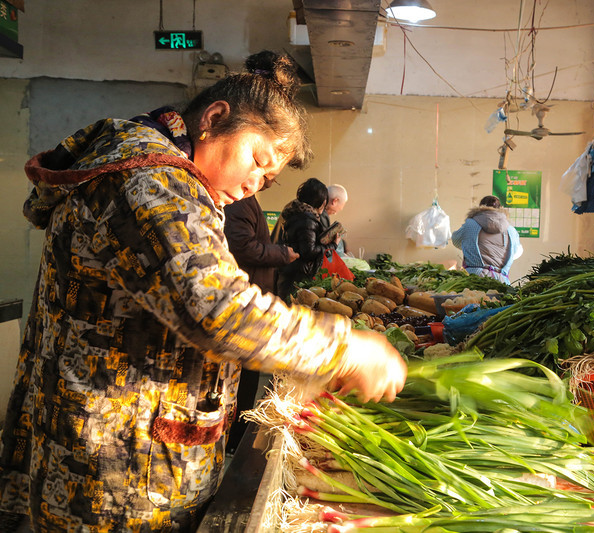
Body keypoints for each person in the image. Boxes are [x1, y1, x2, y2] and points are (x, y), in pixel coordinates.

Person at [0, 50, 406, 531]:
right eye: (256, 161)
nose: (253, 185)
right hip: (115, 480)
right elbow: (217, 307)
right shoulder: (148, 182)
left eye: (268, 179)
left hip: (127, 460)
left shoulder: (163, 178)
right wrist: (345, 350)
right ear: (213, 119)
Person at [223, 194, 299, 455]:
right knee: (243, 378)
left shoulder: (244, 199)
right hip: (246, 302)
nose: (267, 179)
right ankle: (235, 437)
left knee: (246, 377)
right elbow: (243, 247)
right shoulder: (239, 201)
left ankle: (236, 434)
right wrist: (281, 253)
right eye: (261, 164)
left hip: (252, 300)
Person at [272, 178, 333, 301]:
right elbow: (308, 251)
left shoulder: (295, 212)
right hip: (297, 275)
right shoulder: (307, 220)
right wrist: (333, 245)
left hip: (288, 271)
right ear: (322, 201)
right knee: (292, 308)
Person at [451, 195, 522, 284]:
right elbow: (516, 252)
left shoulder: (470, 225)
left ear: (480, 207)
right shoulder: (511, 230)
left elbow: (456, 240)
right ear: (500, 208)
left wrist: (470, 246)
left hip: (475, 279)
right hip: (501, 281)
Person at [321, 183, 348, 254]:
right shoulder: (322, 216)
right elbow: (321, 252)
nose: (335, 213)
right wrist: (335, 243)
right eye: (335, 211)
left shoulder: (313, 211)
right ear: (335, 201)